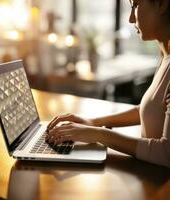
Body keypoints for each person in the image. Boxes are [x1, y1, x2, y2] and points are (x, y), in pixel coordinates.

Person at [46, 0, 170, 168]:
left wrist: (98, 134)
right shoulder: (165, 56)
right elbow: (150, 109)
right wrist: (93, 122)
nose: (131, 19)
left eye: (136, 5)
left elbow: (165, 154)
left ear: (162, 4)